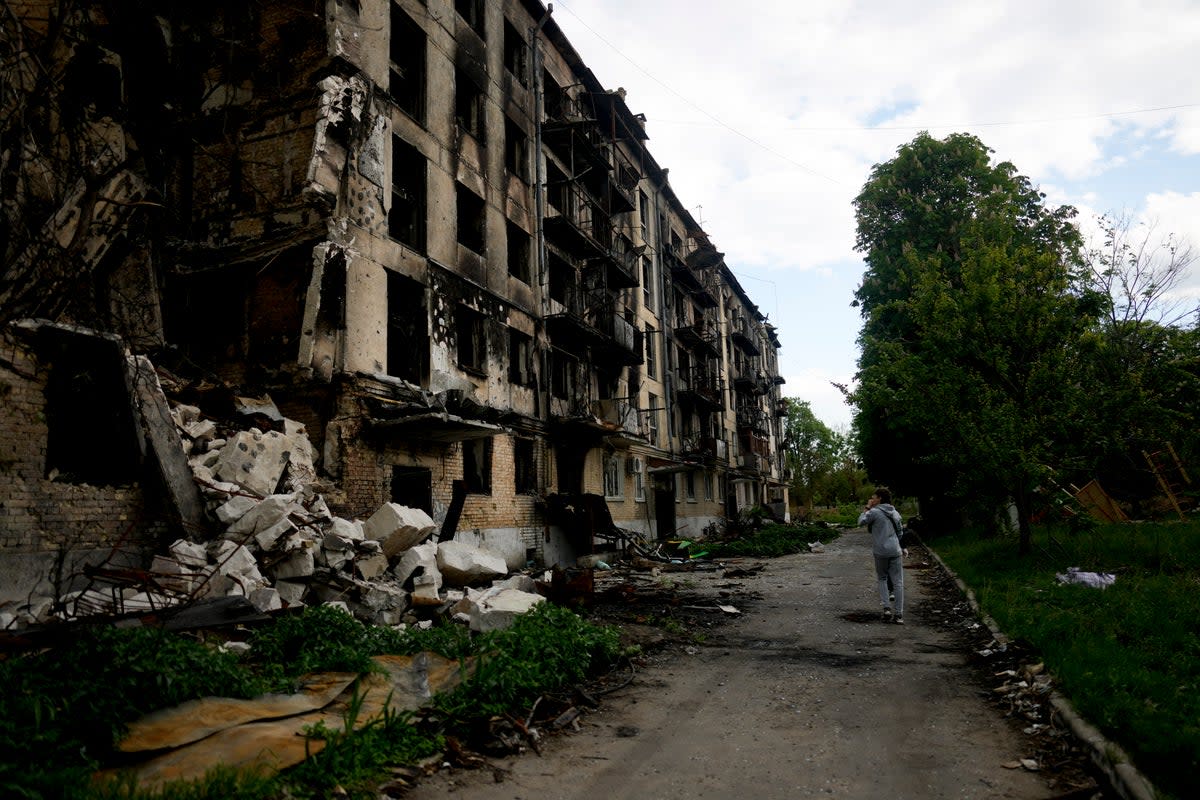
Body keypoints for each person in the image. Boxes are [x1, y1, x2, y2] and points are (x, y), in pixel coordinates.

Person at [858, 487, 905, 624]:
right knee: (898, 582)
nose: (872, 499)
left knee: (882, 578)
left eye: (874, 497)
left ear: (879, 498)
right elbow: (900, 532)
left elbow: (861, 521)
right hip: (895, 550)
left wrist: (867, 507)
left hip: (881, 551)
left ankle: (886, 608)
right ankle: (899, 614)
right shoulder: (894, 512)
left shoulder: (874, 512)